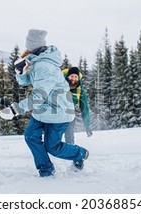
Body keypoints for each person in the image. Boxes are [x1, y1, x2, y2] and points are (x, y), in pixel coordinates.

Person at [12, 29, 89, 177]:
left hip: (58, 111)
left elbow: (39, 95)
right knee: (30, 135)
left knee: (53, 147)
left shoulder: (44, 66)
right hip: (44, 109)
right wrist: (20, 72)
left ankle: (80, 153)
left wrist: (18, 108)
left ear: (32, 44)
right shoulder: (37, 61)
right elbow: (26, 81)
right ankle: (46, 170)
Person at [62, 67, 93, 144]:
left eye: (76, 77)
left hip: (70, 114)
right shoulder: (60, 82)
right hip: (57, 113)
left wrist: (87, 126)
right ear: (68, 76)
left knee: (69, 136)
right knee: (54, 136)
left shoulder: (80, 88)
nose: (74, 79)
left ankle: (71, 151)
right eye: (72, 76)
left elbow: (84, 107)